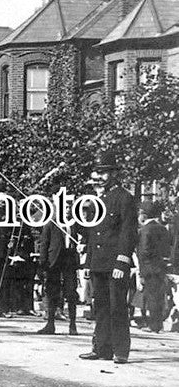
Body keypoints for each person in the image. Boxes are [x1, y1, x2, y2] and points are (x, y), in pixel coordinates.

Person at [80, 153, 138, 363]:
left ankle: (121, 351)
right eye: (98, 172)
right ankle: (102, 348)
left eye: (104, 172)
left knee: (117, 307)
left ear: (114, 174)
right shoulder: (96, 202)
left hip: (115, 263)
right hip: (98, 263)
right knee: (100, 307)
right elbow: (92, 234)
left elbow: (128, 232)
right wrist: (88, 263)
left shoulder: (125, 198)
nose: (100, 177)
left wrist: (122, 261)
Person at [37, 214, 80, 335]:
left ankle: (73, 324)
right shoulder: (51, 223)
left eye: (68, 206)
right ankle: (50, 324)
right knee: (52, 292)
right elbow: (44, 243)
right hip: (54, 262)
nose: (66, 209)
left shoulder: (74, 223)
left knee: (71, 292)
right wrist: (43, 263)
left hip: (69, 260)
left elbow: (84, 237)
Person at [135, 200, 172, 333]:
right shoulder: (163, 229)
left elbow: (143, 251)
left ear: (144, 215)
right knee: (159, 296)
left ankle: (153, 325)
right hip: (161, 267)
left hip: (148, 267)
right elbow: (167, 249)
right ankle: (159, 324)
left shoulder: (145, 230)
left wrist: (141, 272)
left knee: (150, 297)